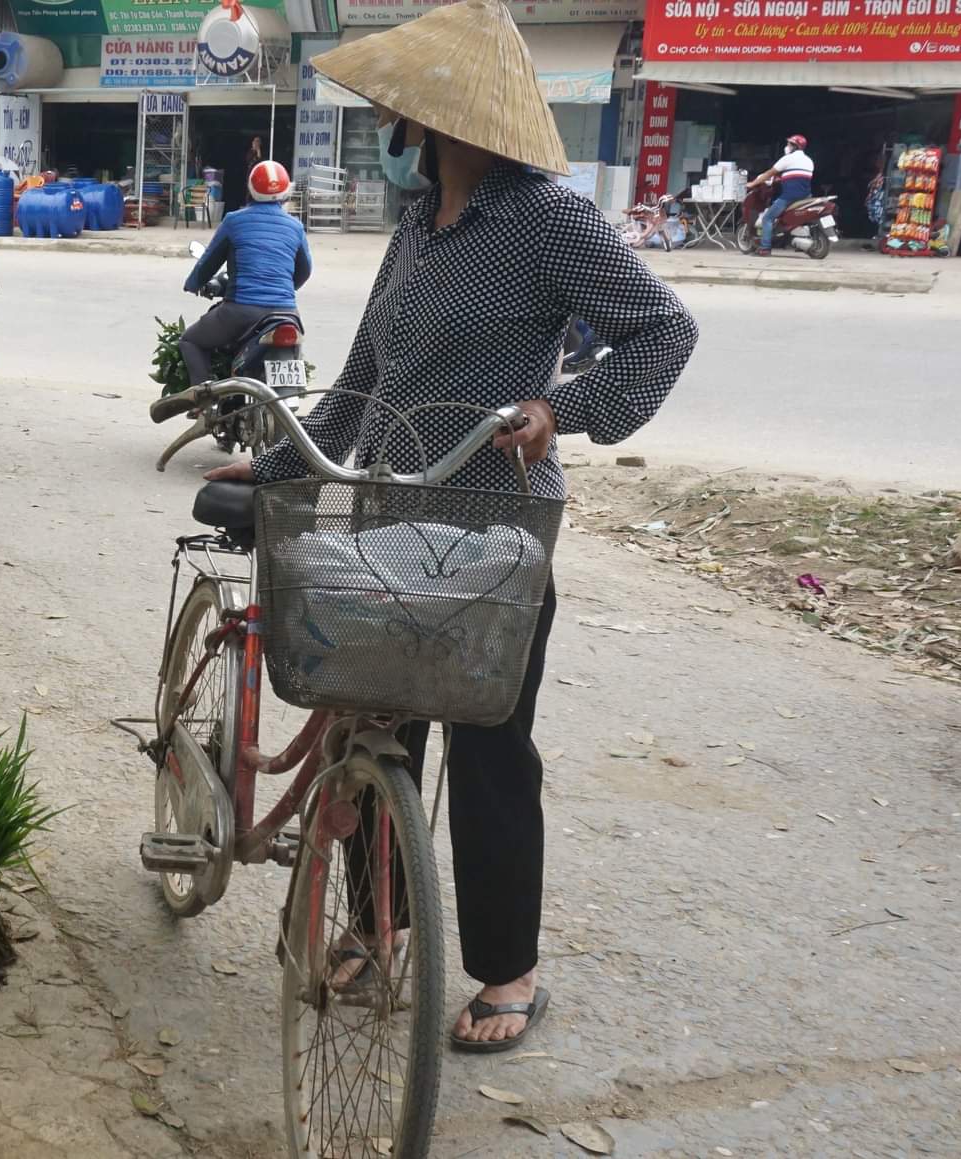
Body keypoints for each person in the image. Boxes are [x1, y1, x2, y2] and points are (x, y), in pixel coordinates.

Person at [206, 0, 697, 1051]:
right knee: (373, 726)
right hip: (389, 518)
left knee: (485, 747)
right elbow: (359, 384)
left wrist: (564, 407)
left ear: (459, 119)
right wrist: (282, 455)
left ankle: (507, 972)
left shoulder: (547, 223)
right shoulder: (414, 232)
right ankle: (376, 927)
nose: (409, 127)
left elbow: (662, 328)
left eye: (422, 112)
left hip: (494, 535)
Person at [177, 159, 312, 387]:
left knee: (190, 341)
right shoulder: (295, 227)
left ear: (250, 189)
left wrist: (193, 284)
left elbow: (208, 262)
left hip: (241, 313)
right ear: (286, 192)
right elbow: (304, 271)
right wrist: (286, 290)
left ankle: (203, 400)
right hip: (287, 314)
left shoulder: (234, 221)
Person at [746, 133, 814, 257]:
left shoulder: (788, 158)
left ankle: (765, 248)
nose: (787, 146)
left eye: (789, 144)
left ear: (794, 146)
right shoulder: (809, 160)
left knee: (767, 218)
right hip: (806, 196)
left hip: (789, 197)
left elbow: (769, 173)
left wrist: (753, 183)